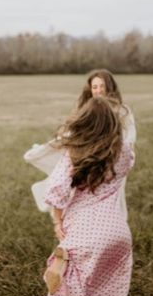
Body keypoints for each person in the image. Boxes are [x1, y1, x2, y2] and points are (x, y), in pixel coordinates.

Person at [40, 96, 135, 296]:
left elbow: (57, 190)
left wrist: (57, 222)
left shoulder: (75, 153)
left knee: (64, 288)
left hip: (86, 232)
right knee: (110, 289)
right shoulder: (124, 151)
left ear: (84, 122)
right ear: (112, 122)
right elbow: (128, 163)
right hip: (119, 233)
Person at [23, 68, 136, 216]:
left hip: (113, 157)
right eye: (95, 87)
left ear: (110, 86)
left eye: (102, 86)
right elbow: (72, 134)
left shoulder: (122, 110)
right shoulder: (88, 108)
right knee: (85, 190)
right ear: (90, 89)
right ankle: (79, 220)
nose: (99, 90)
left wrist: (122, 153)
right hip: (91, 157)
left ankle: (114, 222)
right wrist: (47, 148)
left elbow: (130, 136)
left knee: (113, 194)